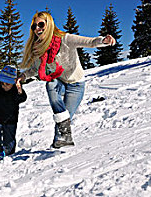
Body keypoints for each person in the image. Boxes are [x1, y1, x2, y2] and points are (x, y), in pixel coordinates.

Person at [18, 11, 116, 148]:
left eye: (41, 24)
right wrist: (23, 76)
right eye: (34, 27)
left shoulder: (66, 39)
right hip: (59, 81)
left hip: (76, 85)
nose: (38, 29)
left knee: (64, 120)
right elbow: (35, 69)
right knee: (50, 84)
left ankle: (58, 145)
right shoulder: (39, 48)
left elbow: (90, 42)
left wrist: (104, 41)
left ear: (50, 24)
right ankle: (60, 142)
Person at [0, 65, 27, 160]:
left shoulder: (15, 91)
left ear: (13, 83)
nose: (4, 86)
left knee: (9, 137)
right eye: (3, 83)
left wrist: (19, 88)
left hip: (11, 119)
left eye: (7, 84)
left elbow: (22, 98)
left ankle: (9, 153)